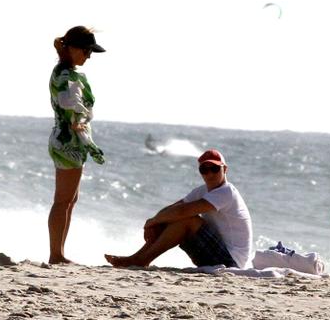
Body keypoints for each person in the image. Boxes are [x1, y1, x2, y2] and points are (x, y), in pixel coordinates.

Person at [105, 149, 253, 269]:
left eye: (214, 169)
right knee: (170, 217)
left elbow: (183, 212)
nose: (209, 174)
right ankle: (137, 258)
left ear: (225, 169)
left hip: (231, 262)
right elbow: (174, 208)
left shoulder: (226, 191)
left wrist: (152, 221)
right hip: (215, 254)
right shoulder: (202, 190)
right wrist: (155, 222)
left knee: (187, 219)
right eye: (204, 169)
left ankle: (141, 260)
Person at [47, 26, 106, 265]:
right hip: (67, 142)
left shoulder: (68, 72)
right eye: (86, 50)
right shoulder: (65, 75)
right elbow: (71, 107)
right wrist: (83, 133)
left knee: (70, 200)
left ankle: (59, 253)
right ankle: (56, 254)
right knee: (63, 200)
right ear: (72, 48)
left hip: (71, 142)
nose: (88, 56)